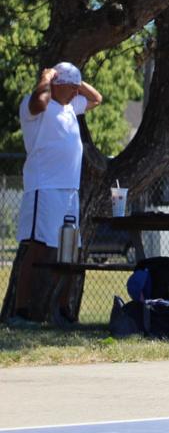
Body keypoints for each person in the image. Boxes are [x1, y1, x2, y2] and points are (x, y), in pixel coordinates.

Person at [1, 64, 103, 322]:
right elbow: (39, 101)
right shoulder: (35, 105)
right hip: (43, 188)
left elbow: (96, 99)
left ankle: (61, 309)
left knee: (69, 251)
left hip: (70, 192)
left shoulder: (71, 107)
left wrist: (78, 83)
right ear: (55, 85)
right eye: (70, 88)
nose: (74, 93)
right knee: (36, 249)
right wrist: (46, 78)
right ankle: (21, 311)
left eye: (75, 89)